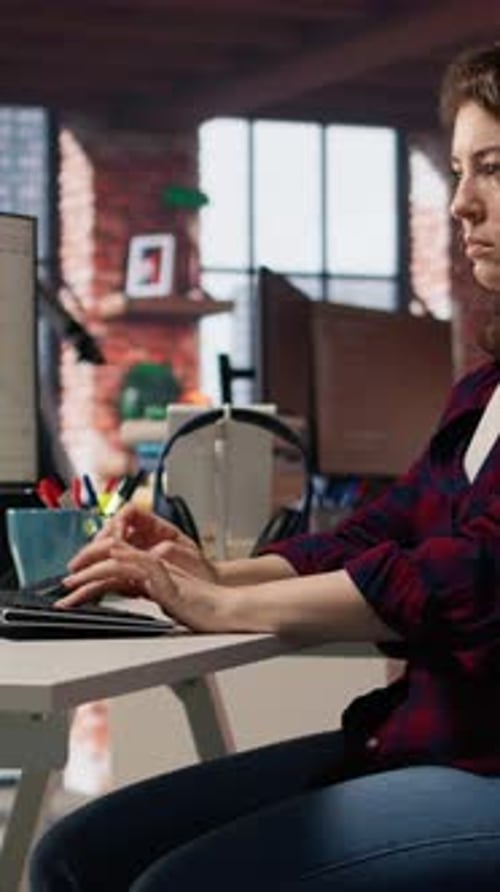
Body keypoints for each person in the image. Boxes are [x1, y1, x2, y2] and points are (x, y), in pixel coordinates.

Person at [31, 43, 500, 892]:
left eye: (493, 169)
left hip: (486, 767)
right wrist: (211, 571)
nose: (462, 204)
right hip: (427, 738)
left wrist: (221, 602)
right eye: (459, 170)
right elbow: (385, 531)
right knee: (73, 855)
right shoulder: (483, 393)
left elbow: (472, 578)